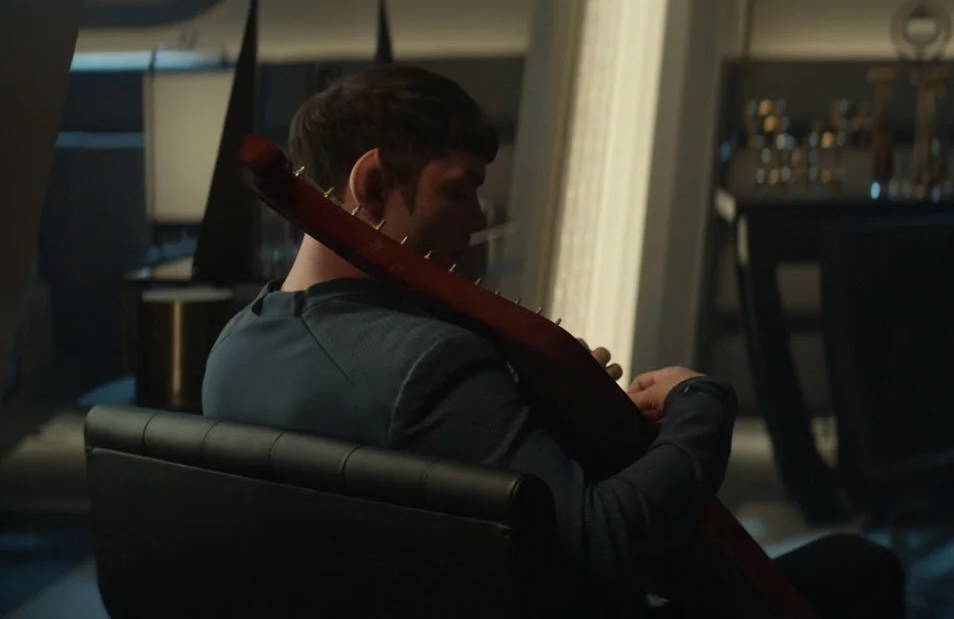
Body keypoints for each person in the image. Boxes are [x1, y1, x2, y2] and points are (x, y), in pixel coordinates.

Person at [201, 65, 905, 618]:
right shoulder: (432, 362)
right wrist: (700, 406)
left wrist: (549, 418)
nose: (477, 219)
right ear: (374, 184)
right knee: (857, 569)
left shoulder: (234, 348)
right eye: (459, 191)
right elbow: (602, 543)